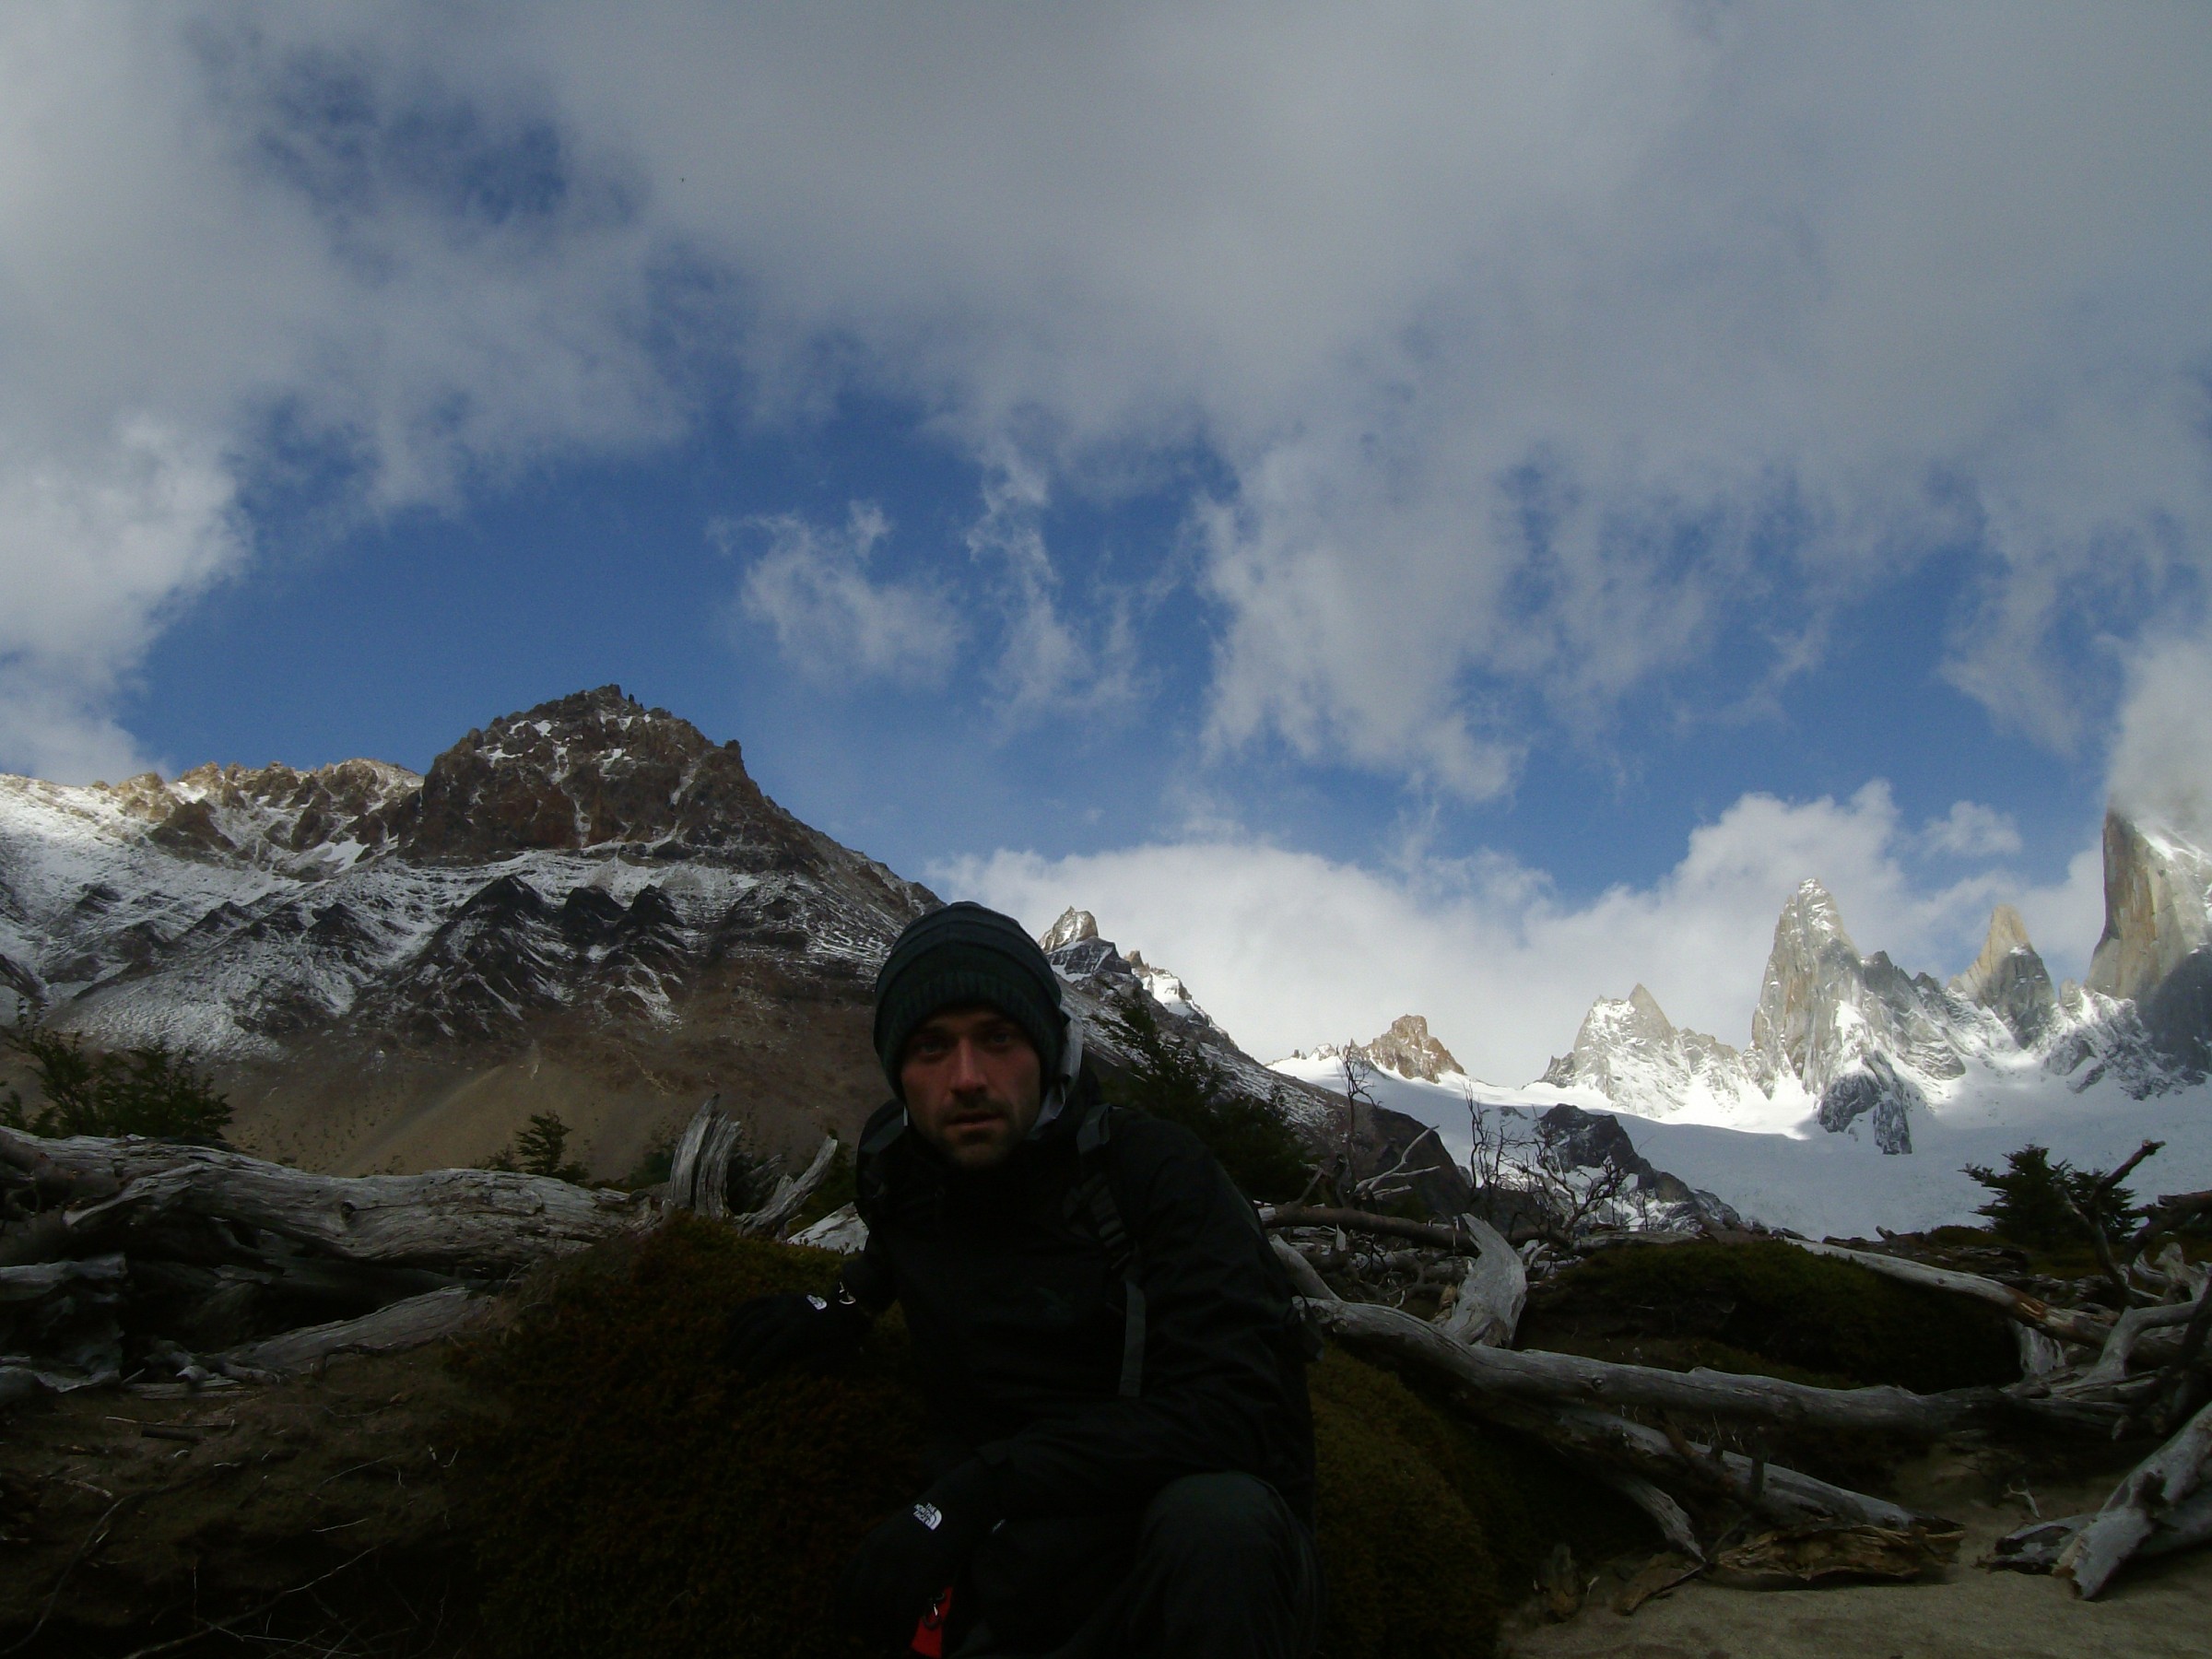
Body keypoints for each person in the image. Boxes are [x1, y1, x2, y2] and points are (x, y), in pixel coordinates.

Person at [723, 901, 1322, 1659]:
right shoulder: (897, 1166)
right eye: (932, 1047)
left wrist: (978, 1491)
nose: (967, 1078)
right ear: (897, 1072)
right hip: (1026, 1551)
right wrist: (843, 1304)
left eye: (997, 1039)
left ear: (1047, 1049)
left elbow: (1235, 1416)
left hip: (1172, 1548)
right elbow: (898, 1242)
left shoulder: (1153, 1175)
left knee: (1220, 1524)